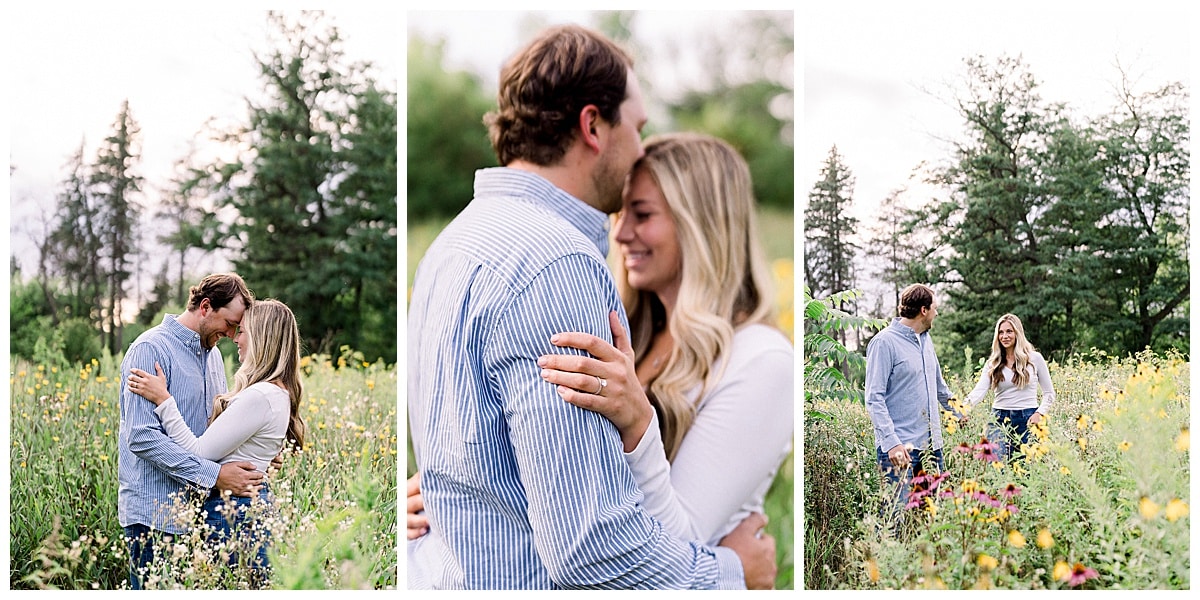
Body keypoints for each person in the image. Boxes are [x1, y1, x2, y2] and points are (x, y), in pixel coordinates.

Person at [406, 24, 775, 590]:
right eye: (638, 125)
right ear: (593, 125)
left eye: (645, 214)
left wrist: (457, 490)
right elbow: (593, 546)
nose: (639, 148)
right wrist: (732, 574)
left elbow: (491, 454)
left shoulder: (450, 245)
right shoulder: (558, 264)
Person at [128, 298, 306, 587]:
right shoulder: (273, 392)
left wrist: (164, 400)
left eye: (243, 331)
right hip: (242, 509)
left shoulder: (261, 395)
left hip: (235, 512)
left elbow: (199, 451)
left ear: (262, 338)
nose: (235, 338)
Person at [118, 273, 262, 589]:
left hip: (201, 514)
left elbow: (214, 432)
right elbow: (142, 437)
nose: (232, 333)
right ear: (206, 306)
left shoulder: (213, 357)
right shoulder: (150, 348)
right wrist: (214, 475)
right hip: (154, 514)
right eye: (229, 323)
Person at [864, 283, 962, 525]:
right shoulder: (884, 343)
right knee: (894, 522)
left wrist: (960, 412)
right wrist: (892, 443)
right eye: (935, 308)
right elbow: (874, 398)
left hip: (932, 449)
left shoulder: (926, 341)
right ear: (924, 310)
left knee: (930, 522)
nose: (937, 313)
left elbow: (940, 388)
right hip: (900, 451)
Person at [963, 313, 1056, 461]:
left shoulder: (1035, 359)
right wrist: (962, 409)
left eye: (1009, 331)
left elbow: (1049, 393)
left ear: (1017, 333)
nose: (1004, 336)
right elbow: (979, 391)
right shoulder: (993, 362)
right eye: (1001, 332)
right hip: (998, 419)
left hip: (1027, 418)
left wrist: (1040, 413)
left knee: (1026, 470)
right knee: (996, 466)